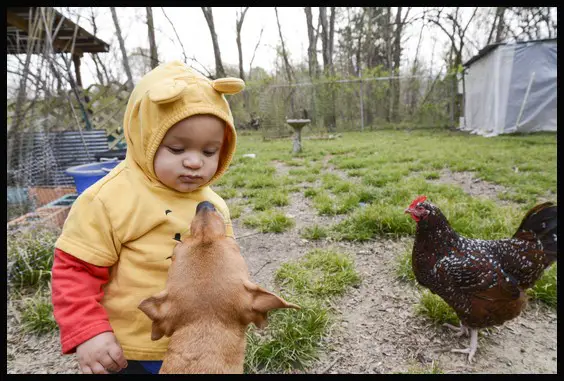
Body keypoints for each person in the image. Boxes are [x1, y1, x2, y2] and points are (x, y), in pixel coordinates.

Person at [51, 61, 245, 374]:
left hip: (196, 345)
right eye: (177, 148)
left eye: (210, 152)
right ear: (144, 138)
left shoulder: (213, 206)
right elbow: (75, 270)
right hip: (127, 351)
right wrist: (89, 331)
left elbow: (228, 265)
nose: (195, 162)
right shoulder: (108, 200)